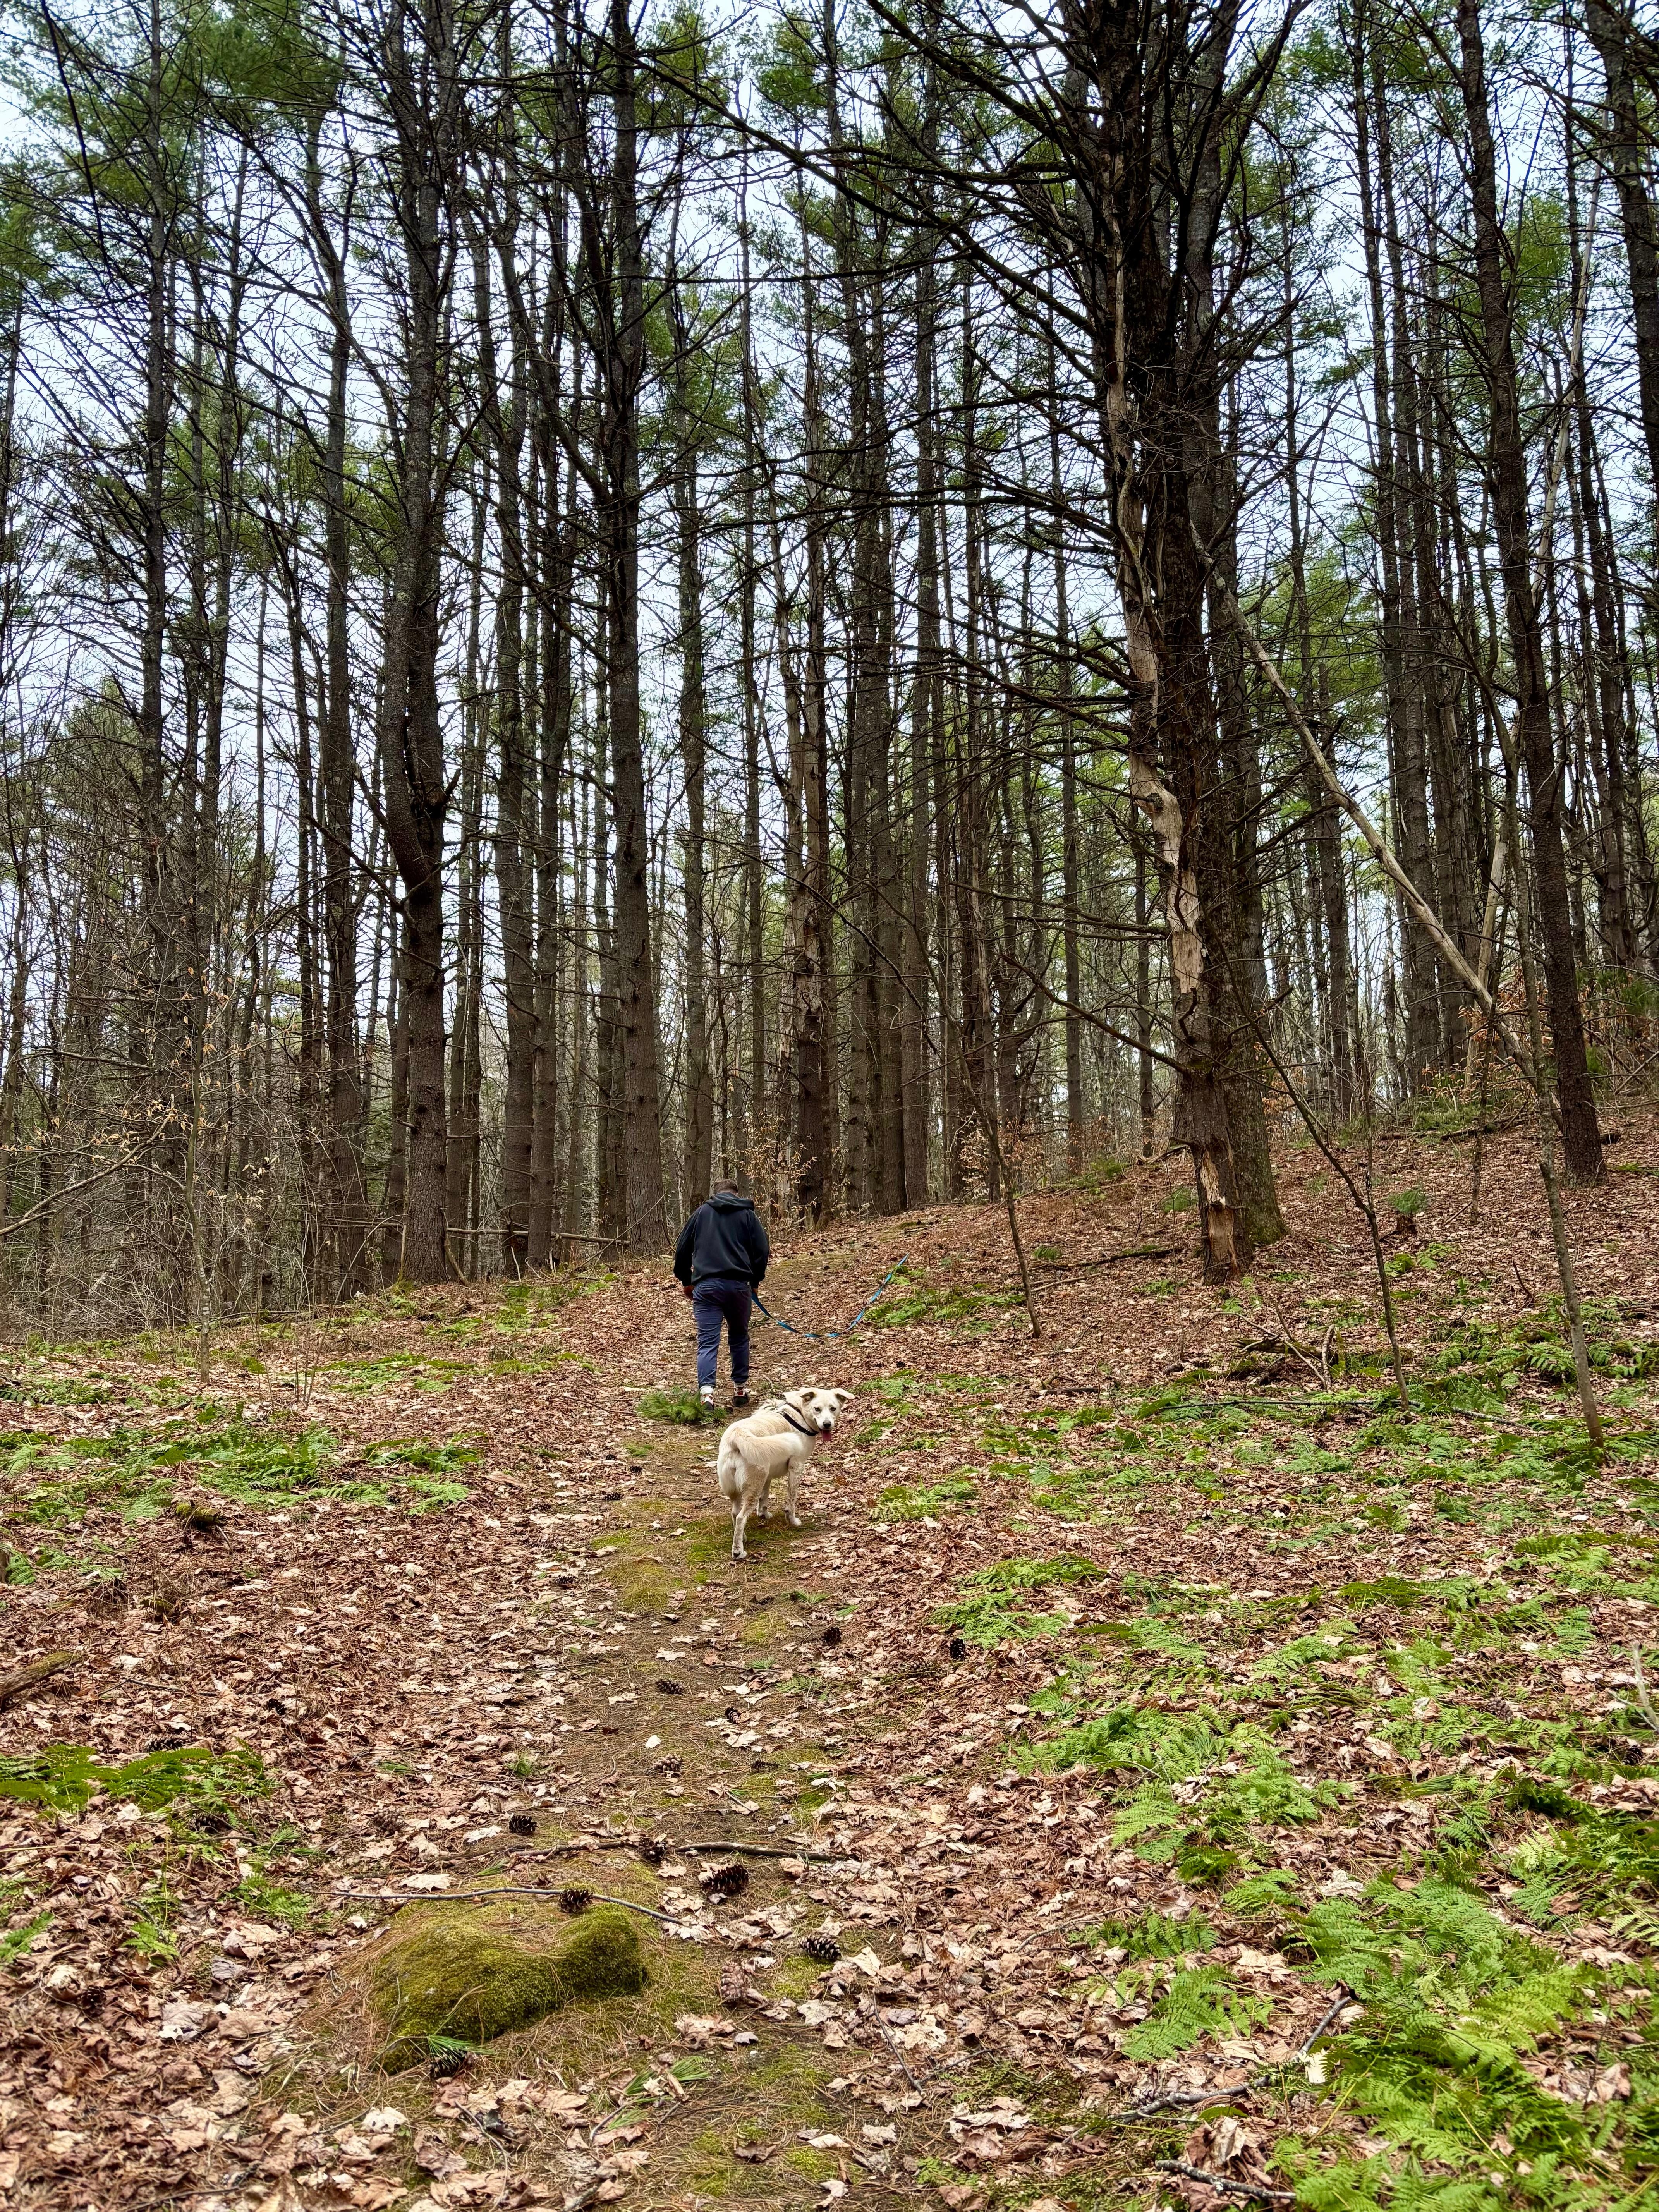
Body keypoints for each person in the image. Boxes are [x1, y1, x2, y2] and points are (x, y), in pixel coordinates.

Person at [672, 1178, 770, 1410]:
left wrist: (687, 1281)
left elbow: (682, 1250)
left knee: (707, 1341)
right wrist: (755, 1281)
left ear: (715, 1194)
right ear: (736, 1194)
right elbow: (763, 1250)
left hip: (706, 1288)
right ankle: (740, 1389)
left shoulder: (701, 1213)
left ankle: (707, 1394)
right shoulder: (748, 1215)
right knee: (739, 1336)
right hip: (738, 1287)